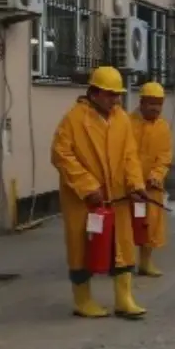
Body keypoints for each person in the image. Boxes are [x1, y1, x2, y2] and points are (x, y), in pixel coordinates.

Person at [50, 66, 149, 319]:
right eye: (109, 94)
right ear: (93, 93)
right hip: (83, 201)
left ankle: (124, 299)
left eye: (117, 94)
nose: (115, 99)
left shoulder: (121, 119)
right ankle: (82, 301)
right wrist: (86, 187)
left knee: (122, 245)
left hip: (117, 198)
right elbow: (61, 155)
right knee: (82, 247)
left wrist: (136, 185)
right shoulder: (74, 119)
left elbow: (130, 157)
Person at [129, 81, 173, 278]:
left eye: (159, 103)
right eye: (151, 103)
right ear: (142, 102)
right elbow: (124, 156)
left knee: (151, 224)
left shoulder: (163, 127)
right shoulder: (127, 123)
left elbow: (165, 155)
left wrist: (156, 175)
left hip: (153, 186)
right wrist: (134, 181)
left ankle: (146, 263)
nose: (156, 108)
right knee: (127, 224)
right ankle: (123, 263)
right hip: (129, 185)